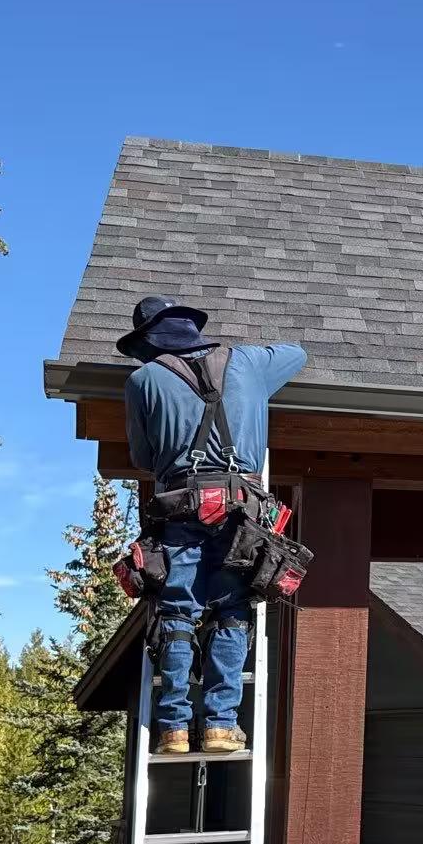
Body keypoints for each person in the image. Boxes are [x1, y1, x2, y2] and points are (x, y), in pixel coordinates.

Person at [120, 295, 308, 753]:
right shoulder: (247, 362)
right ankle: (222, 724)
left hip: (179, 508)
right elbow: (298, 354)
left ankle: (174, 729)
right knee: (232, 609)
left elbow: (144, 459)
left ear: (149, 341)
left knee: (178, 613)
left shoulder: (144, 379)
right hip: (242, 512)